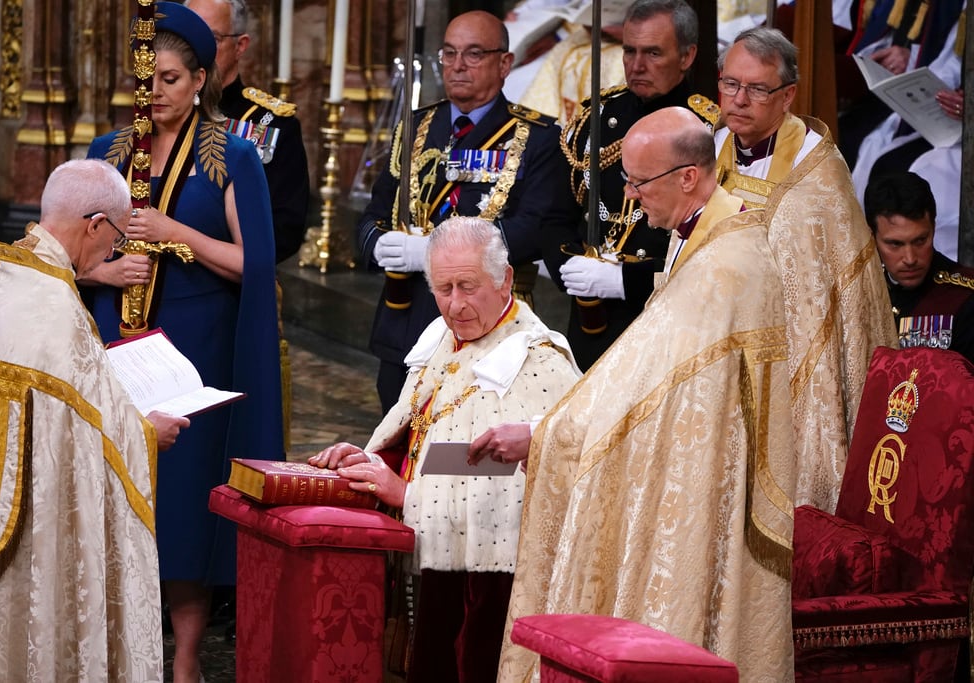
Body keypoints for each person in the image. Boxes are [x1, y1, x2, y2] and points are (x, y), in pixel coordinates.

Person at [497, 107, 796, 682]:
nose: (631, 197)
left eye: (639, 182)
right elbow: (641, 368)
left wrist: (547, 435)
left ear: (688, 177)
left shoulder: (728, 266)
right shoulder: (702, 234)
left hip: (702, 481)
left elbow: (654, 388)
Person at [80, 5, 283, 682]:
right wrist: (103, 270)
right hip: (116, 338)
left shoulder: (234, 155)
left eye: (169, 78)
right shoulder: (107, 152)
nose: (155, 93)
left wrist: (176, 232)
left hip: (195, 349)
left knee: (183, 505)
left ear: (201, 79)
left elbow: (253, 263)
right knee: (116, 488)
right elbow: (71, 251)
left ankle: (188, 657)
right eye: (146, 80)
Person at [310, 216, 580, 683]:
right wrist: (370, 459)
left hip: (490, 583)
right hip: (435, 562)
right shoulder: (440, 336)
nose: (455, 305)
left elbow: (507, 495)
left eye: (468, 286)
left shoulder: (539, 360)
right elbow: (420, 432)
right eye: (443, 288)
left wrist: (404, 494)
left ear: (506, 280)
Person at [0, 159, 189, 682]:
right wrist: (148, 432)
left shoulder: (1, 281)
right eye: (117, 238)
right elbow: (93, 433)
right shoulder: (53, 307)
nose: (113, 252)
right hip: (31, 535)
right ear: (95, 224)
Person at [357, 10, 579, 414]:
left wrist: (432, 253)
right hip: (405, 309)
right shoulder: (416, 125)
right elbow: (374, 212)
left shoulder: (537, 138)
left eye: (474, 54)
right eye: (450, 53)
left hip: (486, 318)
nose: (458, 66)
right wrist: (380, 243)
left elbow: (535, 229)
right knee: (395, 436)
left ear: (505, 63)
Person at [714, 26, 897, 511]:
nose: (738, 100)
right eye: (730, 84)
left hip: (786, 353)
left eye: (756, 89)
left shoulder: (817, 174)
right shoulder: (712, 150)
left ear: (788, 95)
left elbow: (819, 292)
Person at [549, 0, 719, 370]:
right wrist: (570, 269)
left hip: (664, 320)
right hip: (590, 322)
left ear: (687, 56)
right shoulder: (597, 118)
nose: (637, 66)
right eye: (630, 51)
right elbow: (557, 214)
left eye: (653, 53)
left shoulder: (707, 133)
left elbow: (711, 248)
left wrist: (626, 280)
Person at [184, 0, 310, 263]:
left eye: (212, 38)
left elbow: (285, 230)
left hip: (235, 283)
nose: (197, 51)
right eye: (189, 37)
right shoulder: (162, 113)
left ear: (240, 46)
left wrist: (201, 248)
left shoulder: (274, 124)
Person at [851, 3, 964, 261]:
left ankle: (945, 277)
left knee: (925, 171)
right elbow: (950, 61)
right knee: (874, 149)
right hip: (953, 124)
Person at [865, 172, 974, 363]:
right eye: (895, 244)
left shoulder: (964, 297)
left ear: (933, 227)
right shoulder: (860, 295)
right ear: (871, 236)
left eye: (920, 241)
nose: (910, 258)